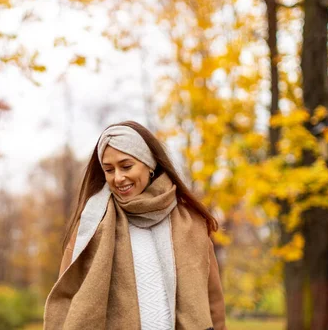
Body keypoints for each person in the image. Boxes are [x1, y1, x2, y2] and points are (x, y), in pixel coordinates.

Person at [44, 121, 226, 330]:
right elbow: (67, 295)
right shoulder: (91, 227)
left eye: (126, 166)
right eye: (109, 169)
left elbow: (212, 301)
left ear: (149, 164)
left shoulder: (190, 224)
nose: (118, 178)